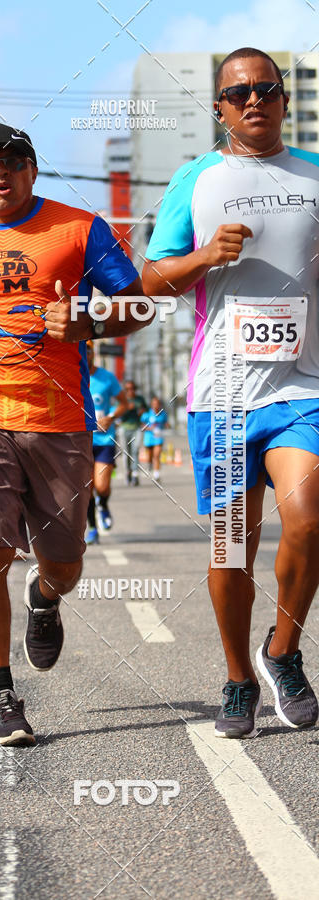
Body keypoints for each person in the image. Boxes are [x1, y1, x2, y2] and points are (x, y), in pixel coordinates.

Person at [0, 122, 151, 746]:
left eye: (17, 160)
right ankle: (1, 697)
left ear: (32, 170)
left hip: (60, 418)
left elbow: (139, 305)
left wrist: (90, 318)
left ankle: (45, 598)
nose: (4, 171)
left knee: (65, 563)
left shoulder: (80, 229)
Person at [142, 47, 319, 739]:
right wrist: (203, 257)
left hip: (303, 385)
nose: (255, 100)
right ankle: (238, 677)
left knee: (307, 517)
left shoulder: (314, 176)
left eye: (268, 89)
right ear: (219, 108)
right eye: (240, 92)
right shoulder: (198, 179)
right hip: (224, 393)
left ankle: (282, 651)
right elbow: (152, 282)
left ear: (284, 100)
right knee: (230, 547)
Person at [85, 341, 127, 543]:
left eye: (89, 349)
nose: (86, 353)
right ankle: (92, 528)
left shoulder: (107, 378)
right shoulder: (71, 376)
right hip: (80, 441)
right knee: (86, 488)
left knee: (101, 487)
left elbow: (124, 403)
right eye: (82, 349)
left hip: (103, 440)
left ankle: (103, 504)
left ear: (94, 352)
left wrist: (110, 417)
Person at [120, 380, 147, 485]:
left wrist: (142, 412)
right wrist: (127, 409)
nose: (130, 391)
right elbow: (119, 415)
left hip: (137, 427)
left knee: (135, 450)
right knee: (126, 452)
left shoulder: (139, 399)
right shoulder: (122, 399)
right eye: (127, 389)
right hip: (124, 428)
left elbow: (146, 409)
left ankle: (135, 474)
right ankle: (128, 472)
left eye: (132, 389)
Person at [140, 396, 167, 482]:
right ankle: (150, 463)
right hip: (148, 438)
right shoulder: (147, 414)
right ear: (151, 405)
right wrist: (149, 428)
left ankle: (156, 474)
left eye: (157, 404)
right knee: (149, 457)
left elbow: (166, 423)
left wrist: (166, 426)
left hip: (158, 438)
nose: (156, 405)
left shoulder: (163, 414)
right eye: (154, 404)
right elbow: (142, 426)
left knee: (157, 455)